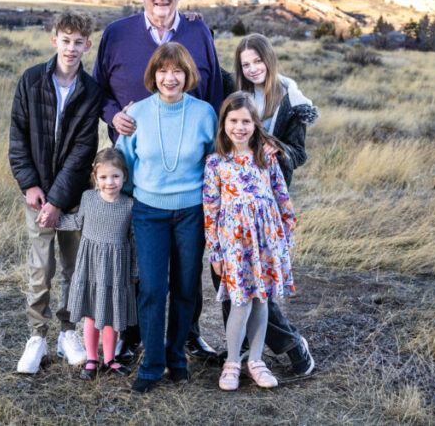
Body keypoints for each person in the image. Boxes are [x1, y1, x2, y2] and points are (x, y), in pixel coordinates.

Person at [93, 0, 223, 363]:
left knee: (187, 267)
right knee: (138, 259)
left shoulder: (198, 31)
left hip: (188, 171)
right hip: (134, 165)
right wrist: (113, 114)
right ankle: (134, 334)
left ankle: (187, 335)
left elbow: (215, 89)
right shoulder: (116, 35)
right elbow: (97, 91)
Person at [114, 43, 217, 393]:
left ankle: (177, 358)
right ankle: (152, 362)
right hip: (149, 212)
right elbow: (123, 161)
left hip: (191, 213)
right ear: (153, 75)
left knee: (186, 287)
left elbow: (215, 163)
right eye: (162, 71)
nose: (169, 78)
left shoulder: (205, 114)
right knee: (153, 288)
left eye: (177, 71)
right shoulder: (137, 114)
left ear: (187, 75)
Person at [10, 10, 102, 374]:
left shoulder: (91, 90)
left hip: (73, 197)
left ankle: (67, 332)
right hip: (36, 194)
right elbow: (18, 137)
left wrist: (58, 201)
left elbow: (83, 152)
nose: (71, 48)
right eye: (65, 40)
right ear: (54, 40)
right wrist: (30, 185)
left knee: (73, 266)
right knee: (41, 267)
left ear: (87, 45)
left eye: (79, 42)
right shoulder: (31, 80)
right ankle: (36, 337)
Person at [228, 32, 318, 375]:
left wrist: (279, 149)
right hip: (235, 198)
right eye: (245, 63)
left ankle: (292, 346)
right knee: (231, 277)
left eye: (257, 61)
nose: (252, 69)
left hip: (267, 202)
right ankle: (235, 355)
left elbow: (300, 152)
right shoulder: (236, 95)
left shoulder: (291, 99)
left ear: (269, 59)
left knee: (258, 281)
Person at [203, 93, 297, 391]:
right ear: (224, 124)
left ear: (255, 125)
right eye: (233, 121)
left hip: (267, 242)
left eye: (246, 121)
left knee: (261, 300)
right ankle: (232, 362)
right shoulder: (216, 163)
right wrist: (215, 251)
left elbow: (282, 198)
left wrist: (286, 238)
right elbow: (211, 210)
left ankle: (256, 360)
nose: (240, 127)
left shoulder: (266, 158)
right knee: (240, 301)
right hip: (235, 244)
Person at [48, 148, 137, 380]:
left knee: (111, 315)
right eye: (104, 177)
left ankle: (109, 359)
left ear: (124, 177)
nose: (110, 182)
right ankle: (91, 358)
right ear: (95, 178)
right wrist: (53, 221)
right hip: (91, 266)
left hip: (116, 268)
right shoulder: (88, 198)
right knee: (91, 314)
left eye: (115, 176)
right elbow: (77, 221)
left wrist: (134, 270)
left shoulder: (129, 205)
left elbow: (133, 239)